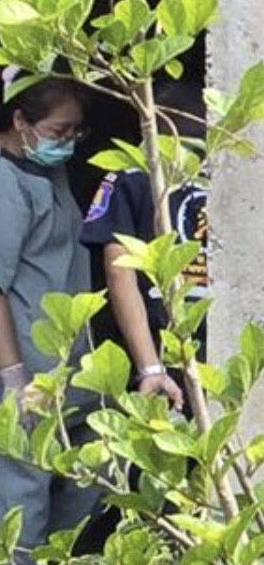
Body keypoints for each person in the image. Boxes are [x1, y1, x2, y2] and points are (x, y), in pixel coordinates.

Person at [0, 71, 98, 565]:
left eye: (76, 131)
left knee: (97, 462)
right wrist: (14, 376)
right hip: (20, 358)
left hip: (67, 360)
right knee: (24, 485)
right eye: (60, 130)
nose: (69, 142)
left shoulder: (42, 165)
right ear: (19, 121)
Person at [80, 80, 208, 408]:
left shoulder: (129, 176)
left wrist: (149, 367)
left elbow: (119, 272)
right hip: (218, 346)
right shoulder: (233, 171)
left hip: (161, 348)